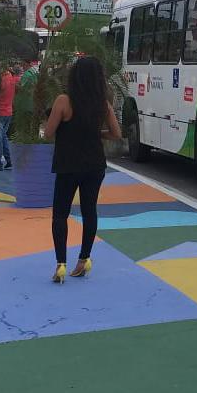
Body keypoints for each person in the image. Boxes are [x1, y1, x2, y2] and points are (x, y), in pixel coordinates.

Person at [44, 56, 122, 284]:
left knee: (60, 214)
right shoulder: (102, 104)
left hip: (68, 165)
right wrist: (98, 134)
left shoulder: (63, 101)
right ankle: (84, 258)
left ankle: (61, 264)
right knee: (90, 211)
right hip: (94, 165)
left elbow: (49, 133)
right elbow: (117, 134)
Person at [0, 65, 20, 172]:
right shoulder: (12, 77)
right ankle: (9, 159)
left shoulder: (0, 79)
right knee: (3, 137)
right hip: (8, 111)